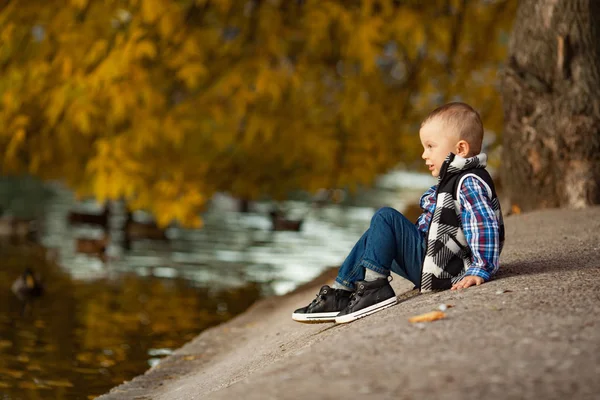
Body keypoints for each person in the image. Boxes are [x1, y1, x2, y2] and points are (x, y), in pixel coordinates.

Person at [292, 102, 505, 324]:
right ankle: (342, 291)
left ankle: (375, 288)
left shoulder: (468, 182)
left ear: (460, 149)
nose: (424, 155)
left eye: (430, 146)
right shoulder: (452, 180)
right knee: (378, 233)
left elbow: (484, 226)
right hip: (434, 264)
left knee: (386, 217)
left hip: (450, 270)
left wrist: (480, 268)